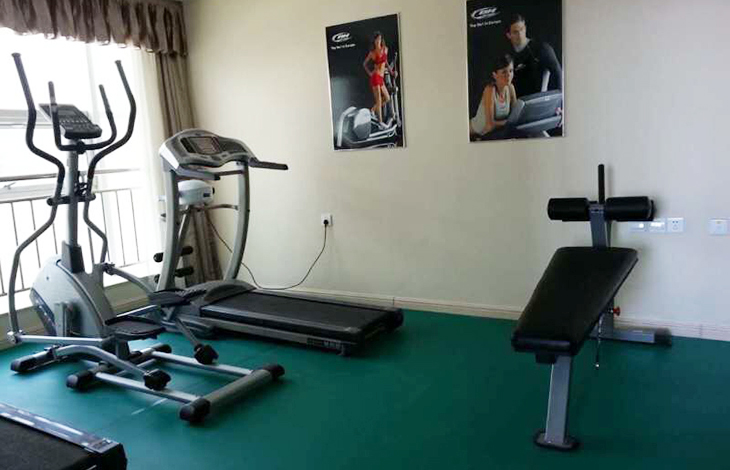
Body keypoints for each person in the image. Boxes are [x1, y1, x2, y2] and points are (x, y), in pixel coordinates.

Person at [505, 14, 562, 96]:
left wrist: (557, 100)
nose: (520, 35)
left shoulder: (542, 48)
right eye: (515, 32)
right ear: (508, 35)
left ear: (525, 28)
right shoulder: (508, 57)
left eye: (522, 29)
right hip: (518, 102)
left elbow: (558, 73)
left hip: (539, 100)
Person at [470, 54, 517, 138]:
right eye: (504, 72)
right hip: (473, 132)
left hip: (495, 132)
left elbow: (516, 116)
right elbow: (490, 125)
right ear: (494, 75)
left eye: (511, 71)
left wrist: (512, 122)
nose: (508, 75)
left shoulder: (511, 88)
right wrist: (510, 122)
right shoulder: (490, 90)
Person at [363, 31, 396, 126]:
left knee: (387, 98)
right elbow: (364, 64)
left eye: (380, 39)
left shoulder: (385, 49)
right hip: (375, 77)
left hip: (381, 78)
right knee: (379, 100)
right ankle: (380, 122)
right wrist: (370, 73)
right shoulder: (372, 53)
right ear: (374, 41)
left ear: (381, 40)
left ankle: (372, 110)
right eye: (377, 39)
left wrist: (391, 72)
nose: (378, 41)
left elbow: (386, 62)